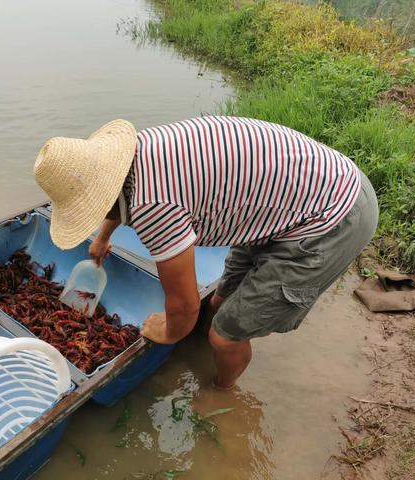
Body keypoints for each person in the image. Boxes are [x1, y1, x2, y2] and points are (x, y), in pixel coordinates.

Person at [34, 116, 378, 390]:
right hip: (296, 195)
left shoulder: (154, 206)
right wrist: (103, 236)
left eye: (92, 211)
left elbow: (184, 307)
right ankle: (219, 350)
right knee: (218, 303)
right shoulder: (136, 154)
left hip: (332, 218)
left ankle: (222, 390)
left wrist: (168, 331)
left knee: (224, 335)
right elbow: (116, 198)